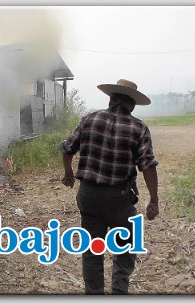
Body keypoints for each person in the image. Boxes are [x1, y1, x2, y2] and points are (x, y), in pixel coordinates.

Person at [59, 79, 159, 294]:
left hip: (89, 195)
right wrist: (154, 200)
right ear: (131, 105)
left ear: (111, 99)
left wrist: (68, 173)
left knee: (92, 249)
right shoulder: (138, 128)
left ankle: (94, 294)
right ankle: (119, 291)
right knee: (126, 245)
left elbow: (67, 148)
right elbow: (148, 166)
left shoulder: (89, 119)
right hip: (119, 199)